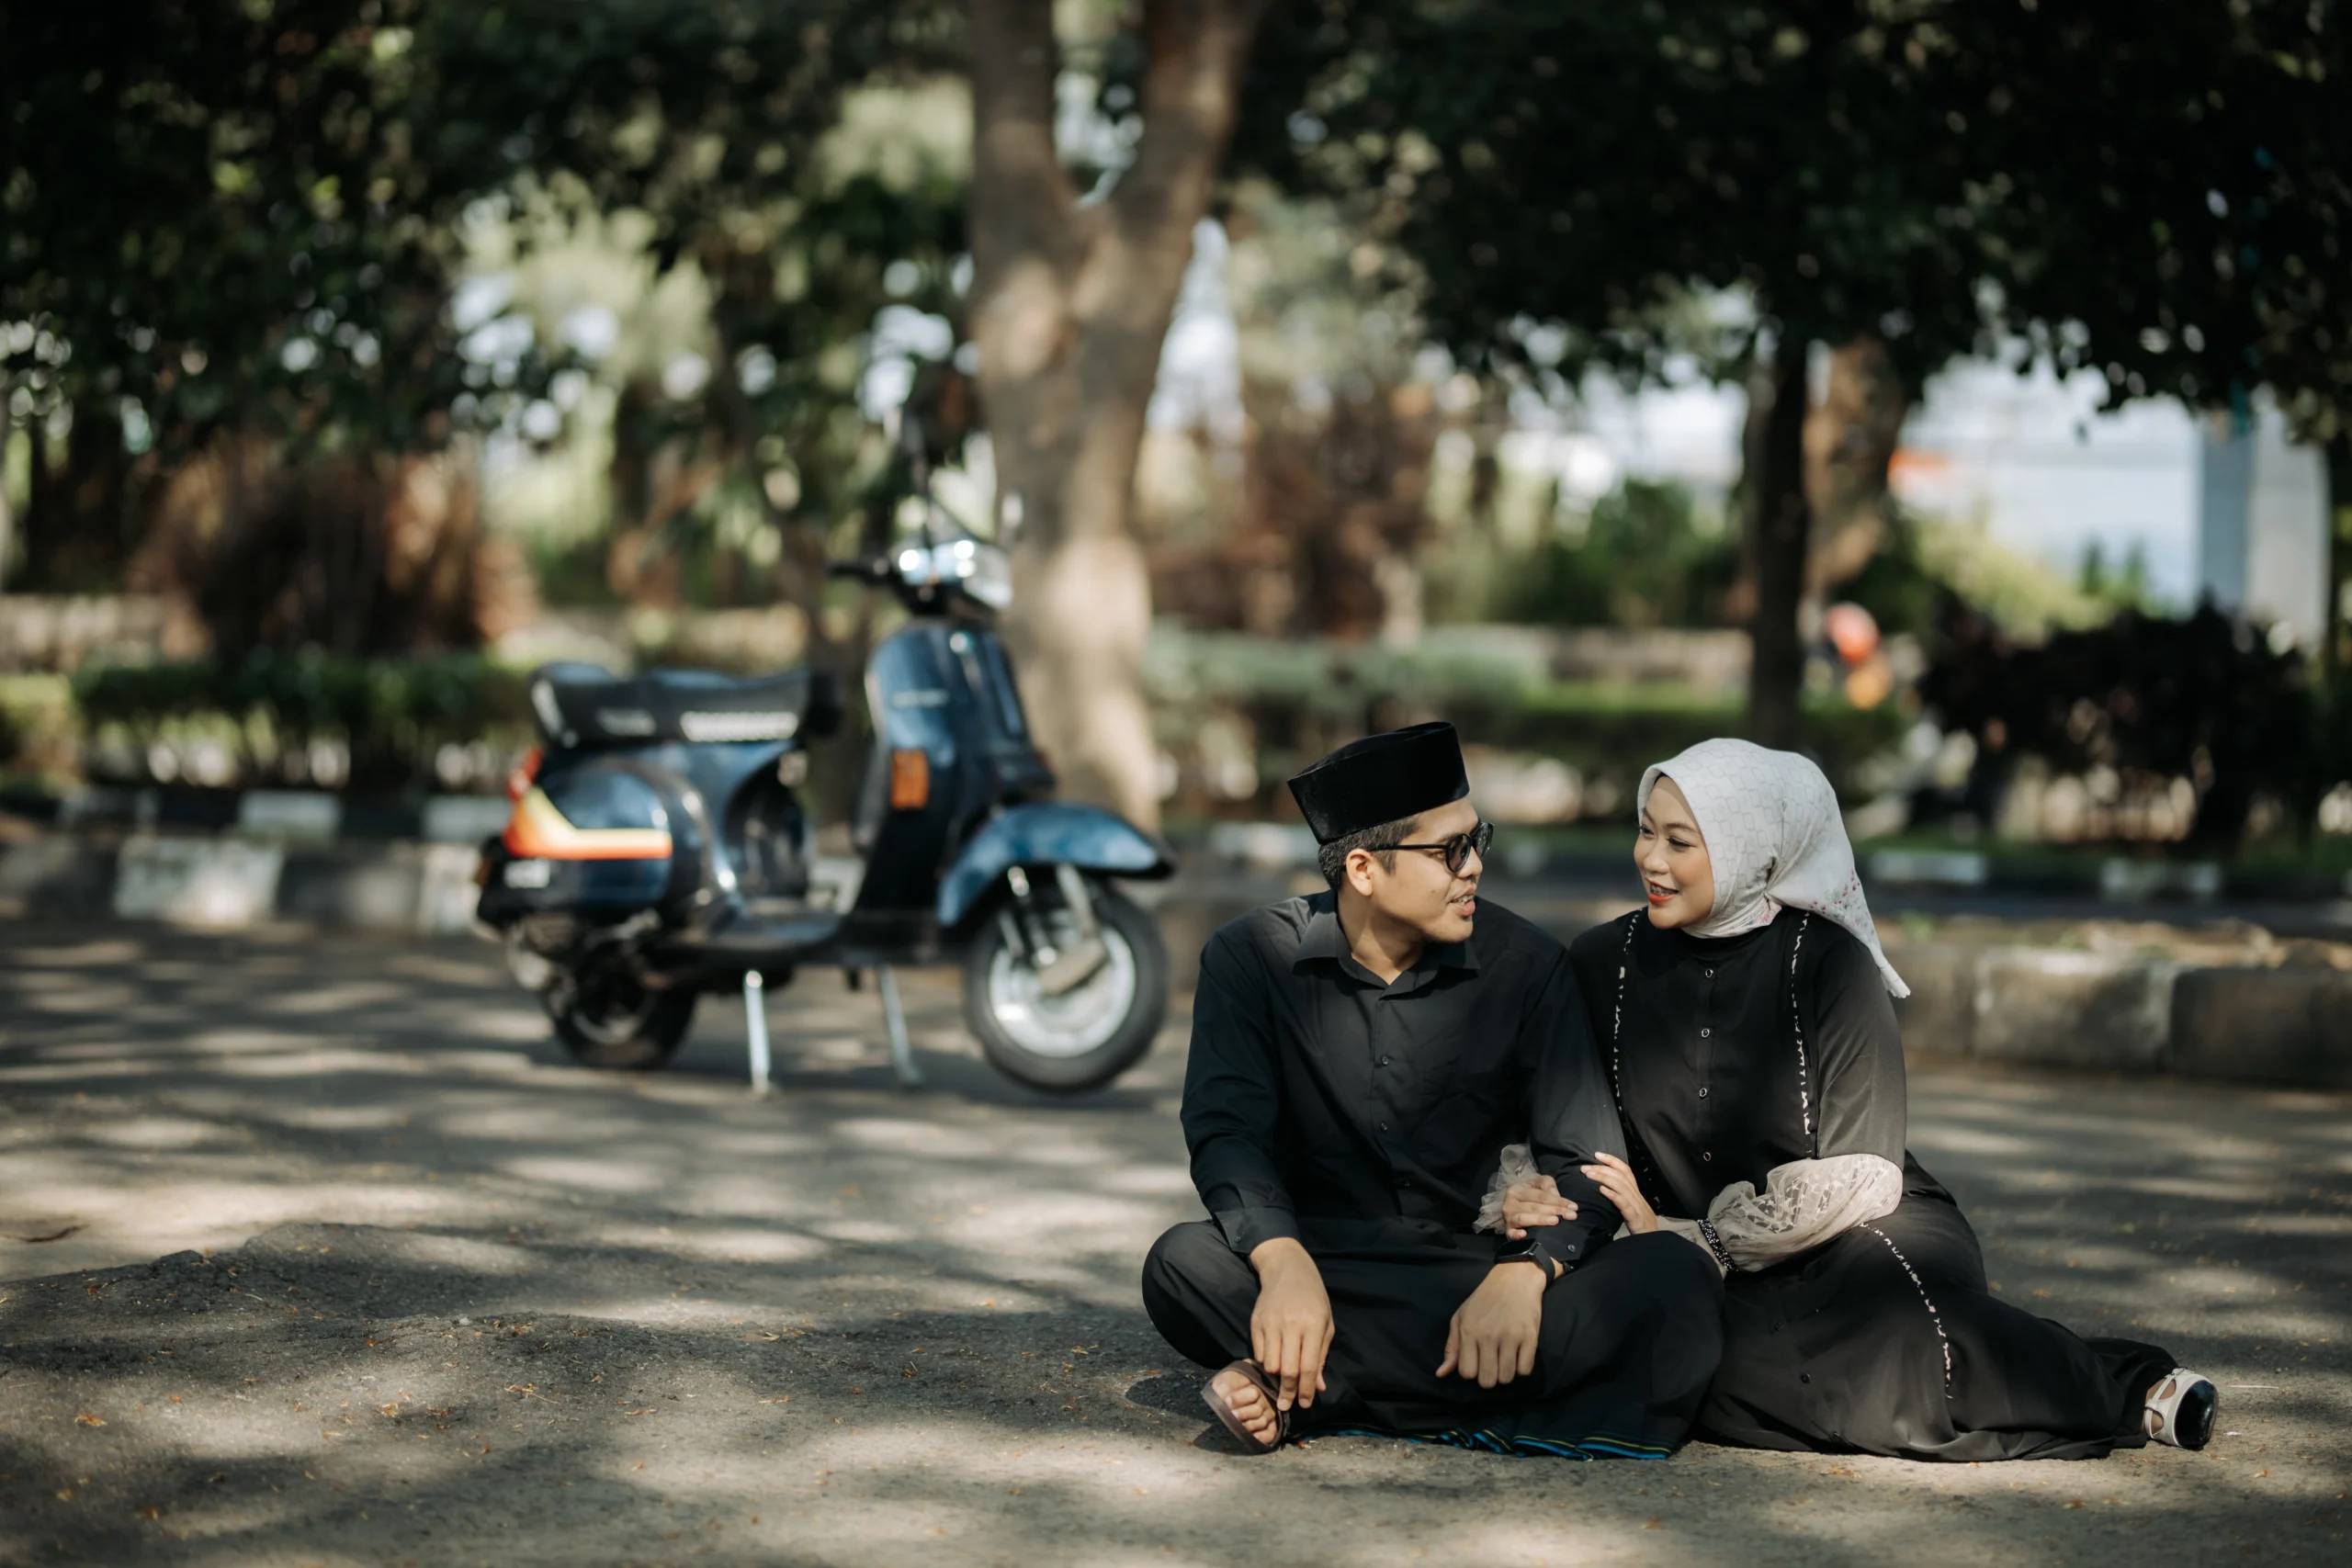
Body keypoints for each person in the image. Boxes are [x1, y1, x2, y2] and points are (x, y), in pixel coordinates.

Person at [1489, 738, 2218, 1461]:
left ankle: (2128, 1384)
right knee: (1684, 1347)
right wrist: (1528, 1190)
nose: (1650, 857)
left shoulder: (1829, 961)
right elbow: (1549, 1114)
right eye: (1646, 829)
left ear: (1755, 850)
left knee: (1901, 1343)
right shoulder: (1599, 962)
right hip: (1668, 1248)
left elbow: (1863, 1172)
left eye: (1680, 840)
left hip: (1857, 1235)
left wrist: (1695, 1243)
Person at [1141, 722, 1724, 1459]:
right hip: (1326, 1265)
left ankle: (1319, 1392)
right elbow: (1228, 1136)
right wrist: (1284, 1265)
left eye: (1477, 838)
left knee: (1673, 1275)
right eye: (1449, 851)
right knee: (1182, 1264)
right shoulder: (1252, 959)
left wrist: (1527, 1273)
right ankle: (1460, 1395)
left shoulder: (1529, 965)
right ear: (1361, 869)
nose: (1475, 866)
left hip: (1478, 1271)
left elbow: (1589, 1162)